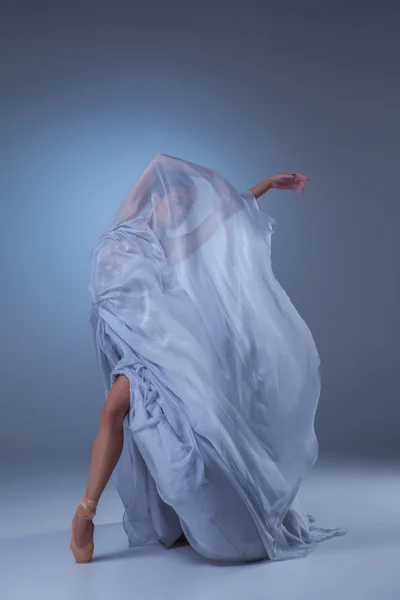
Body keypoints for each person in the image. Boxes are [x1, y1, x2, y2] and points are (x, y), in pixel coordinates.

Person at [70, 154, 346, 564]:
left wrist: (266, 185)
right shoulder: (126, 229)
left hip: (164, 349)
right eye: (175, 202)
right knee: (116, 413)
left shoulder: (174, 246)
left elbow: (225, 217)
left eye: (187, 206)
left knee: (183, 428)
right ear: (156, 200)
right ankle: (87, 515)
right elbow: (154, 170)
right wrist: (166, 165)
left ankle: (196, 515)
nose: (181, 211)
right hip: (133, 346)